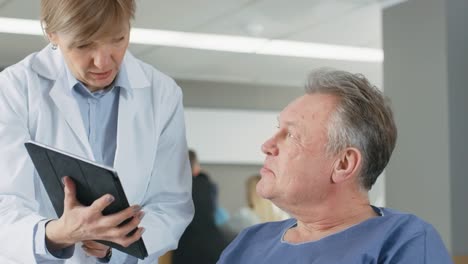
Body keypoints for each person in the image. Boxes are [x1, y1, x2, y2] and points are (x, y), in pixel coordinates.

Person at [0, 0, 194, 263]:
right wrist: (57, 234)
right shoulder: (13, 89)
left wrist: (116, 245)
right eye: (83, 45)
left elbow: (171, 204)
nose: (103, 61)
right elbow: (5, 201)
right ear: (51, 33)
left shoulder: (162, 93)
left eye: (118, 39)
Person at [217, 68, 452, 263]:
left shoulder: (403, 241)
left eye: (292, 135)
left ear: (343, 164)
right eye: (277, 129)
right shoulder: (250, 243)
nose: (267, 145)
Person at [172, 150, 229, 264]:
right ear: (195, 167)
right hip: (214, 247)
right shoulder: (207, 186)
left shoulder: (173, 188)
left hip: (186, 249)